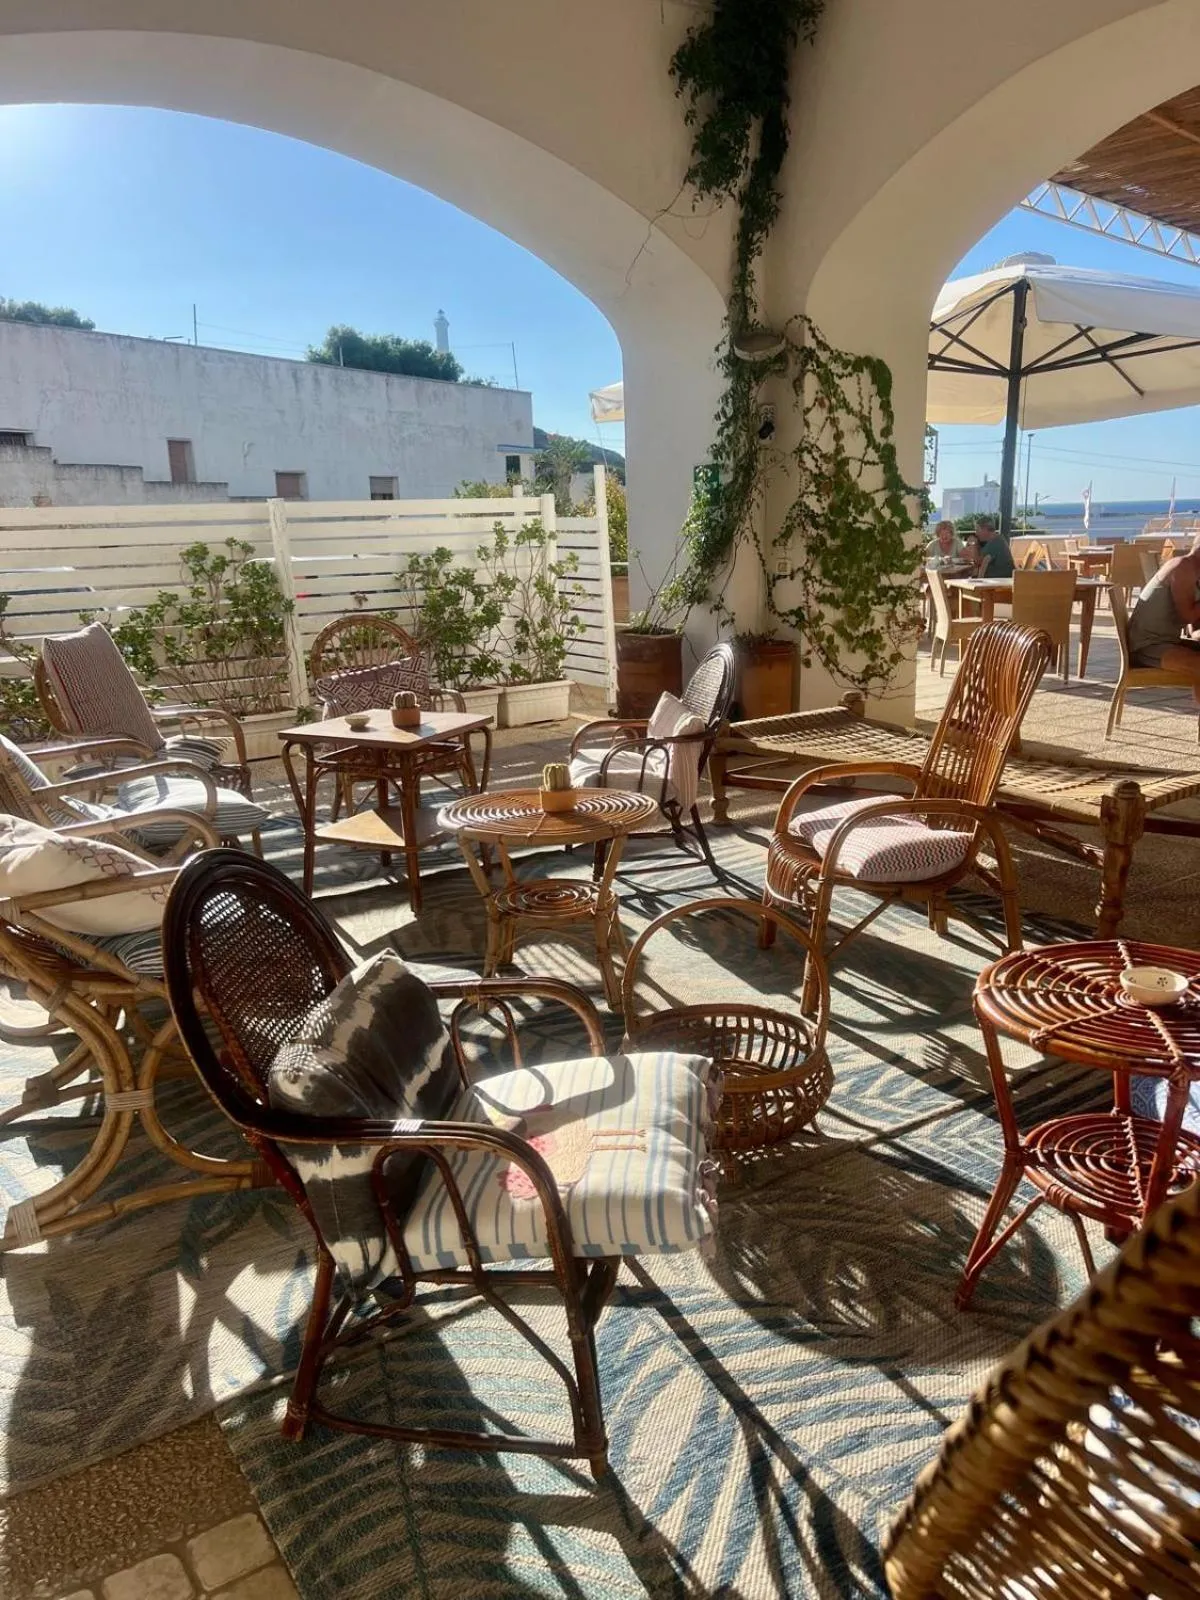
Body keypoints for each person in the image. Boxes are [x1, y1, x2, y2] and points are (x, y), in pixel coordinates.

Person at [1127, 538, 1200, 703]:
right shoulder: (1184, 567)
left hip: (1166, 641)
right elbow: (1187, 615)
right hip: (1146, 645)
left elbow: (1193, 628)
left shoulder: (1194, 571)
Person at [973, 514, 1014, 580]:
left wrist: (974, 544)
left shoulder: (995, 542)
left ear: (985, 529)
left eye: (977, 530)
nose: (976, 533)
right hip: (1001, 579)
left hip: (999, 582)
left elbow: (979, 563)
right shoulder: (998, 539)